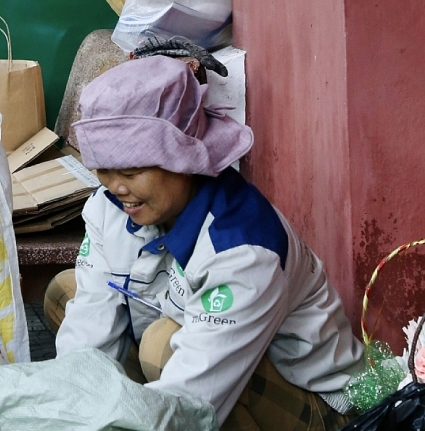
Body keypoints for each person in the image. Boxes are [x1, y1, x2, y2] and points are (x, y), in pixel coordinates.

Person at [45, 55, 364, 430]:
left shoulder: (242, 248)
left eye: (130, 172)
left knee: (161, 347)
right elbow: (88, 338)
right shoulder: (109, 206)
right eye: (103, 170)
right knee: (64, 295)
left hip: (319, 407)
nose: (116, 188)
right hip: (201, 362)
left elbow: (190, 403)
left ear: (183, 161)